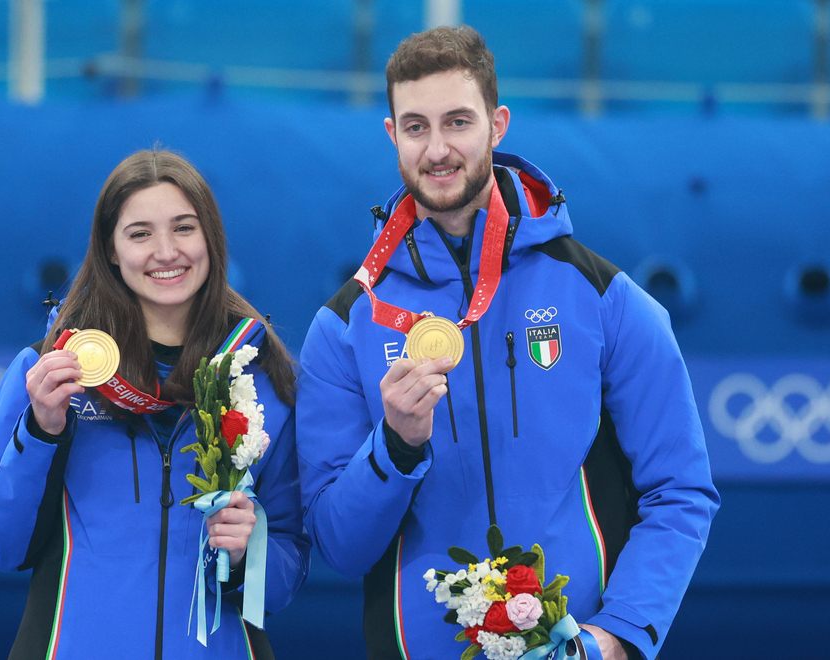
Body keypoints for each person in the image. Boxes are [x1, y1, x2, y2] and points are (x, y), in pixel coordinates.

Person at [296, 26, 719, 660]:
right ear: (391, 134)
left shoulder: (603, 296)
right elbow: (339, 544)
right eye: (416, 127)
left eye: (458, 122)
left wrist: (622, 634)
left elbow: (681, 489)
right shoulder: (347, 324)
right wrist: (396, 446)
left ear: (497, 125)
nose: (437, 149)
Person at [0, 149, 310, 660]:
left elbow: (283, 578)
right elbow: (1, 545)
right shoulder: (50, 374)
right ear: (111, 249)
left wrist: (247, 556)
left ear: (211, 241)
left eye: (184, 228)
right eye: (140, 233)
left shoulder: (264, 380)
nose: (166, 251)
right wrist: (41, 429)